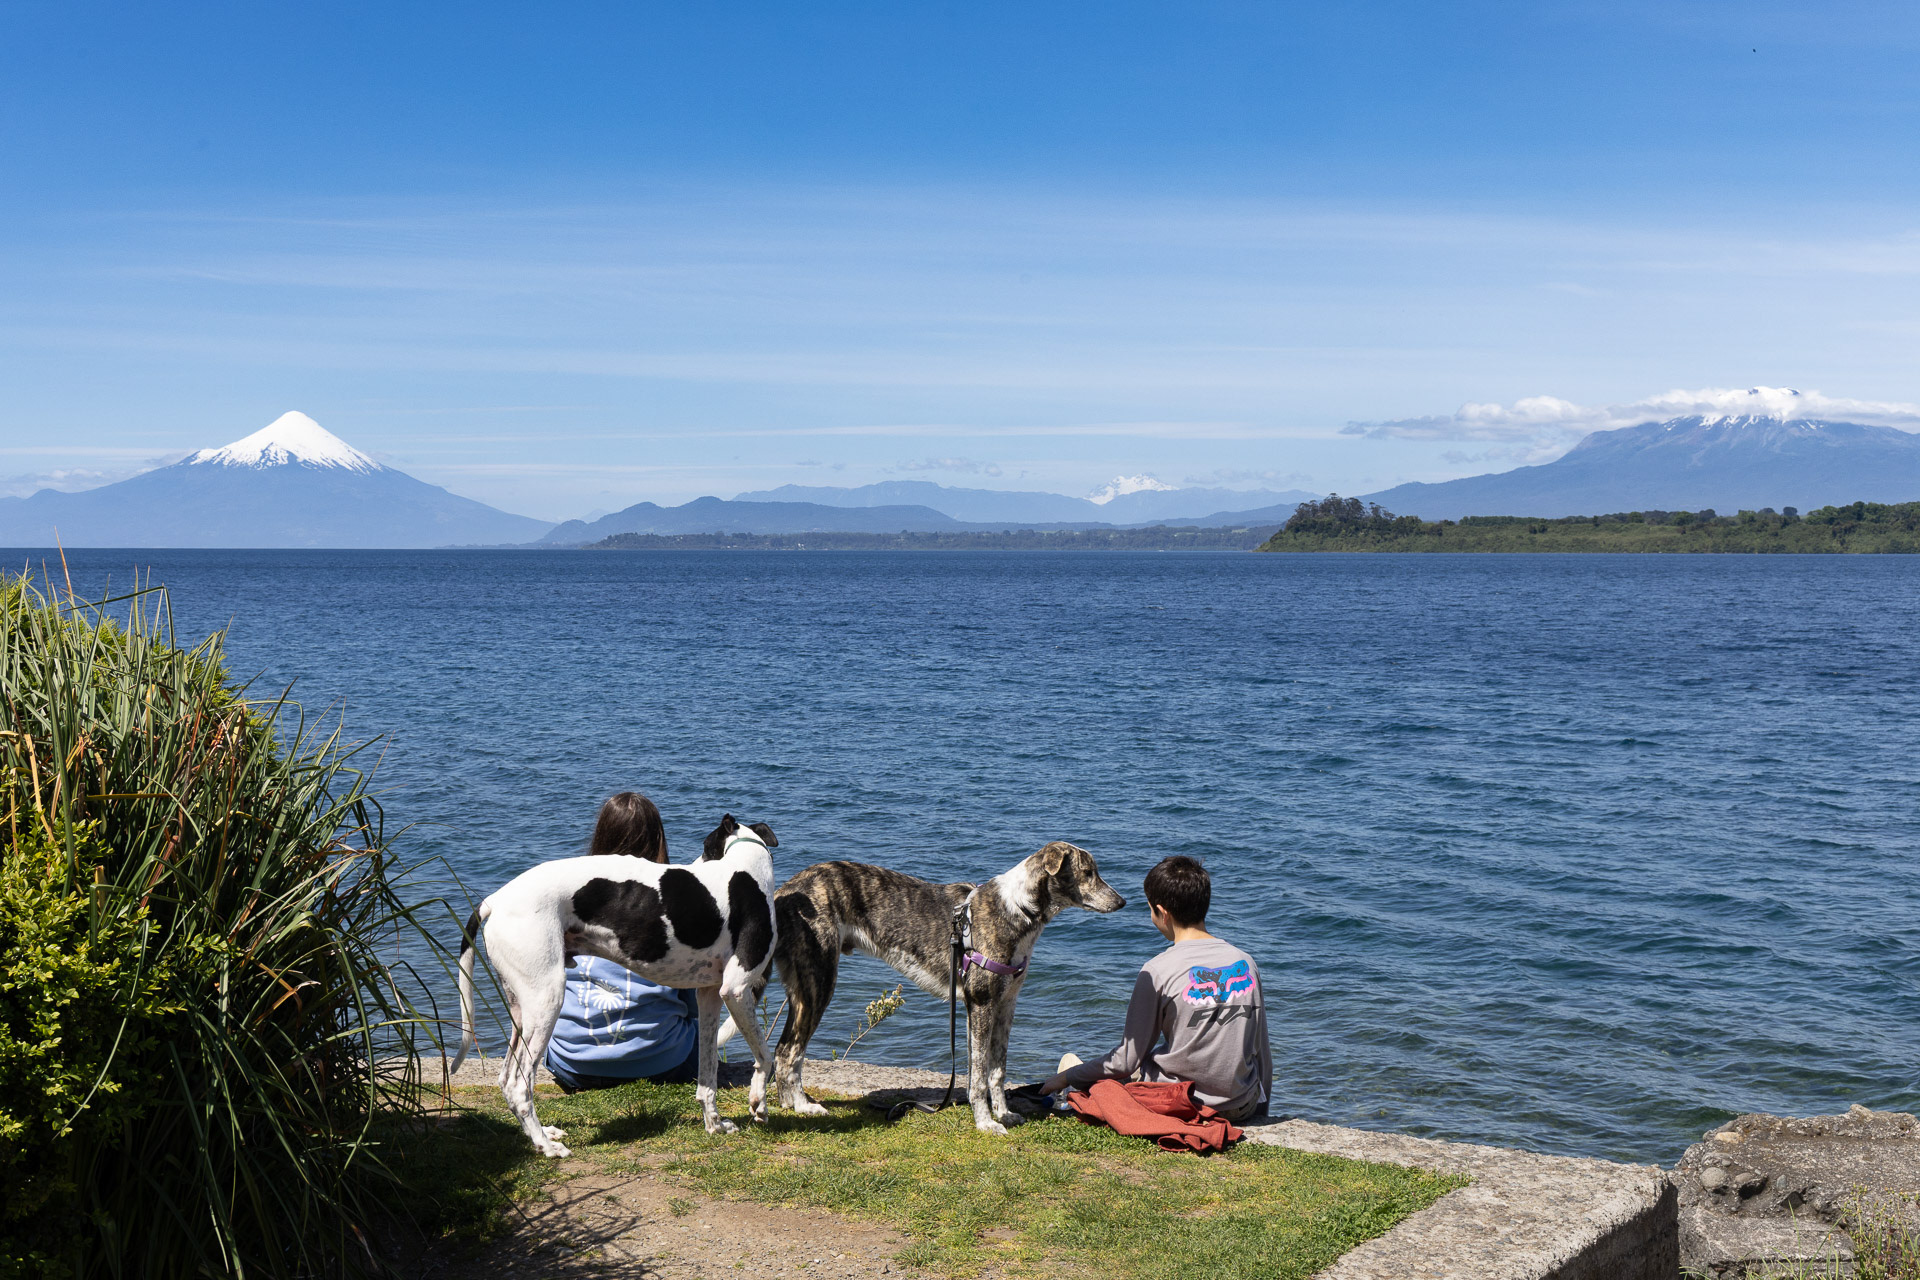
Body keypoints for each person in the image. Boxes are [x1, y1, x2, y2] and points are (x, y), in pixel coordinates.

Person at [1038, 855, 1271, 1122]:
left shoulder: (1158, 969)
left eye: (1150, 910)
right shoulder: (1246, 963)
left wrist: (1066, 1077)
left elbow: (1126, 1060)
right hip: (1240, 1105)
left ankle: (1070, 1076)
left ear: (1162, 913)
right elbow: (1261, 1051)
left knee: (1101, 1075)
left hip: (1181, 1102)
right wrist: (1261, 1114)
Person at [543, 792, 702, 1093]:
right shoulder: (679, 906)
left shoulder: (566, 904)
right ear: (659, 841)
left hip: (573, 1065)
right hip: (662, 1064)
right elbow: (691, 1005)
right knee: (695, 1029)